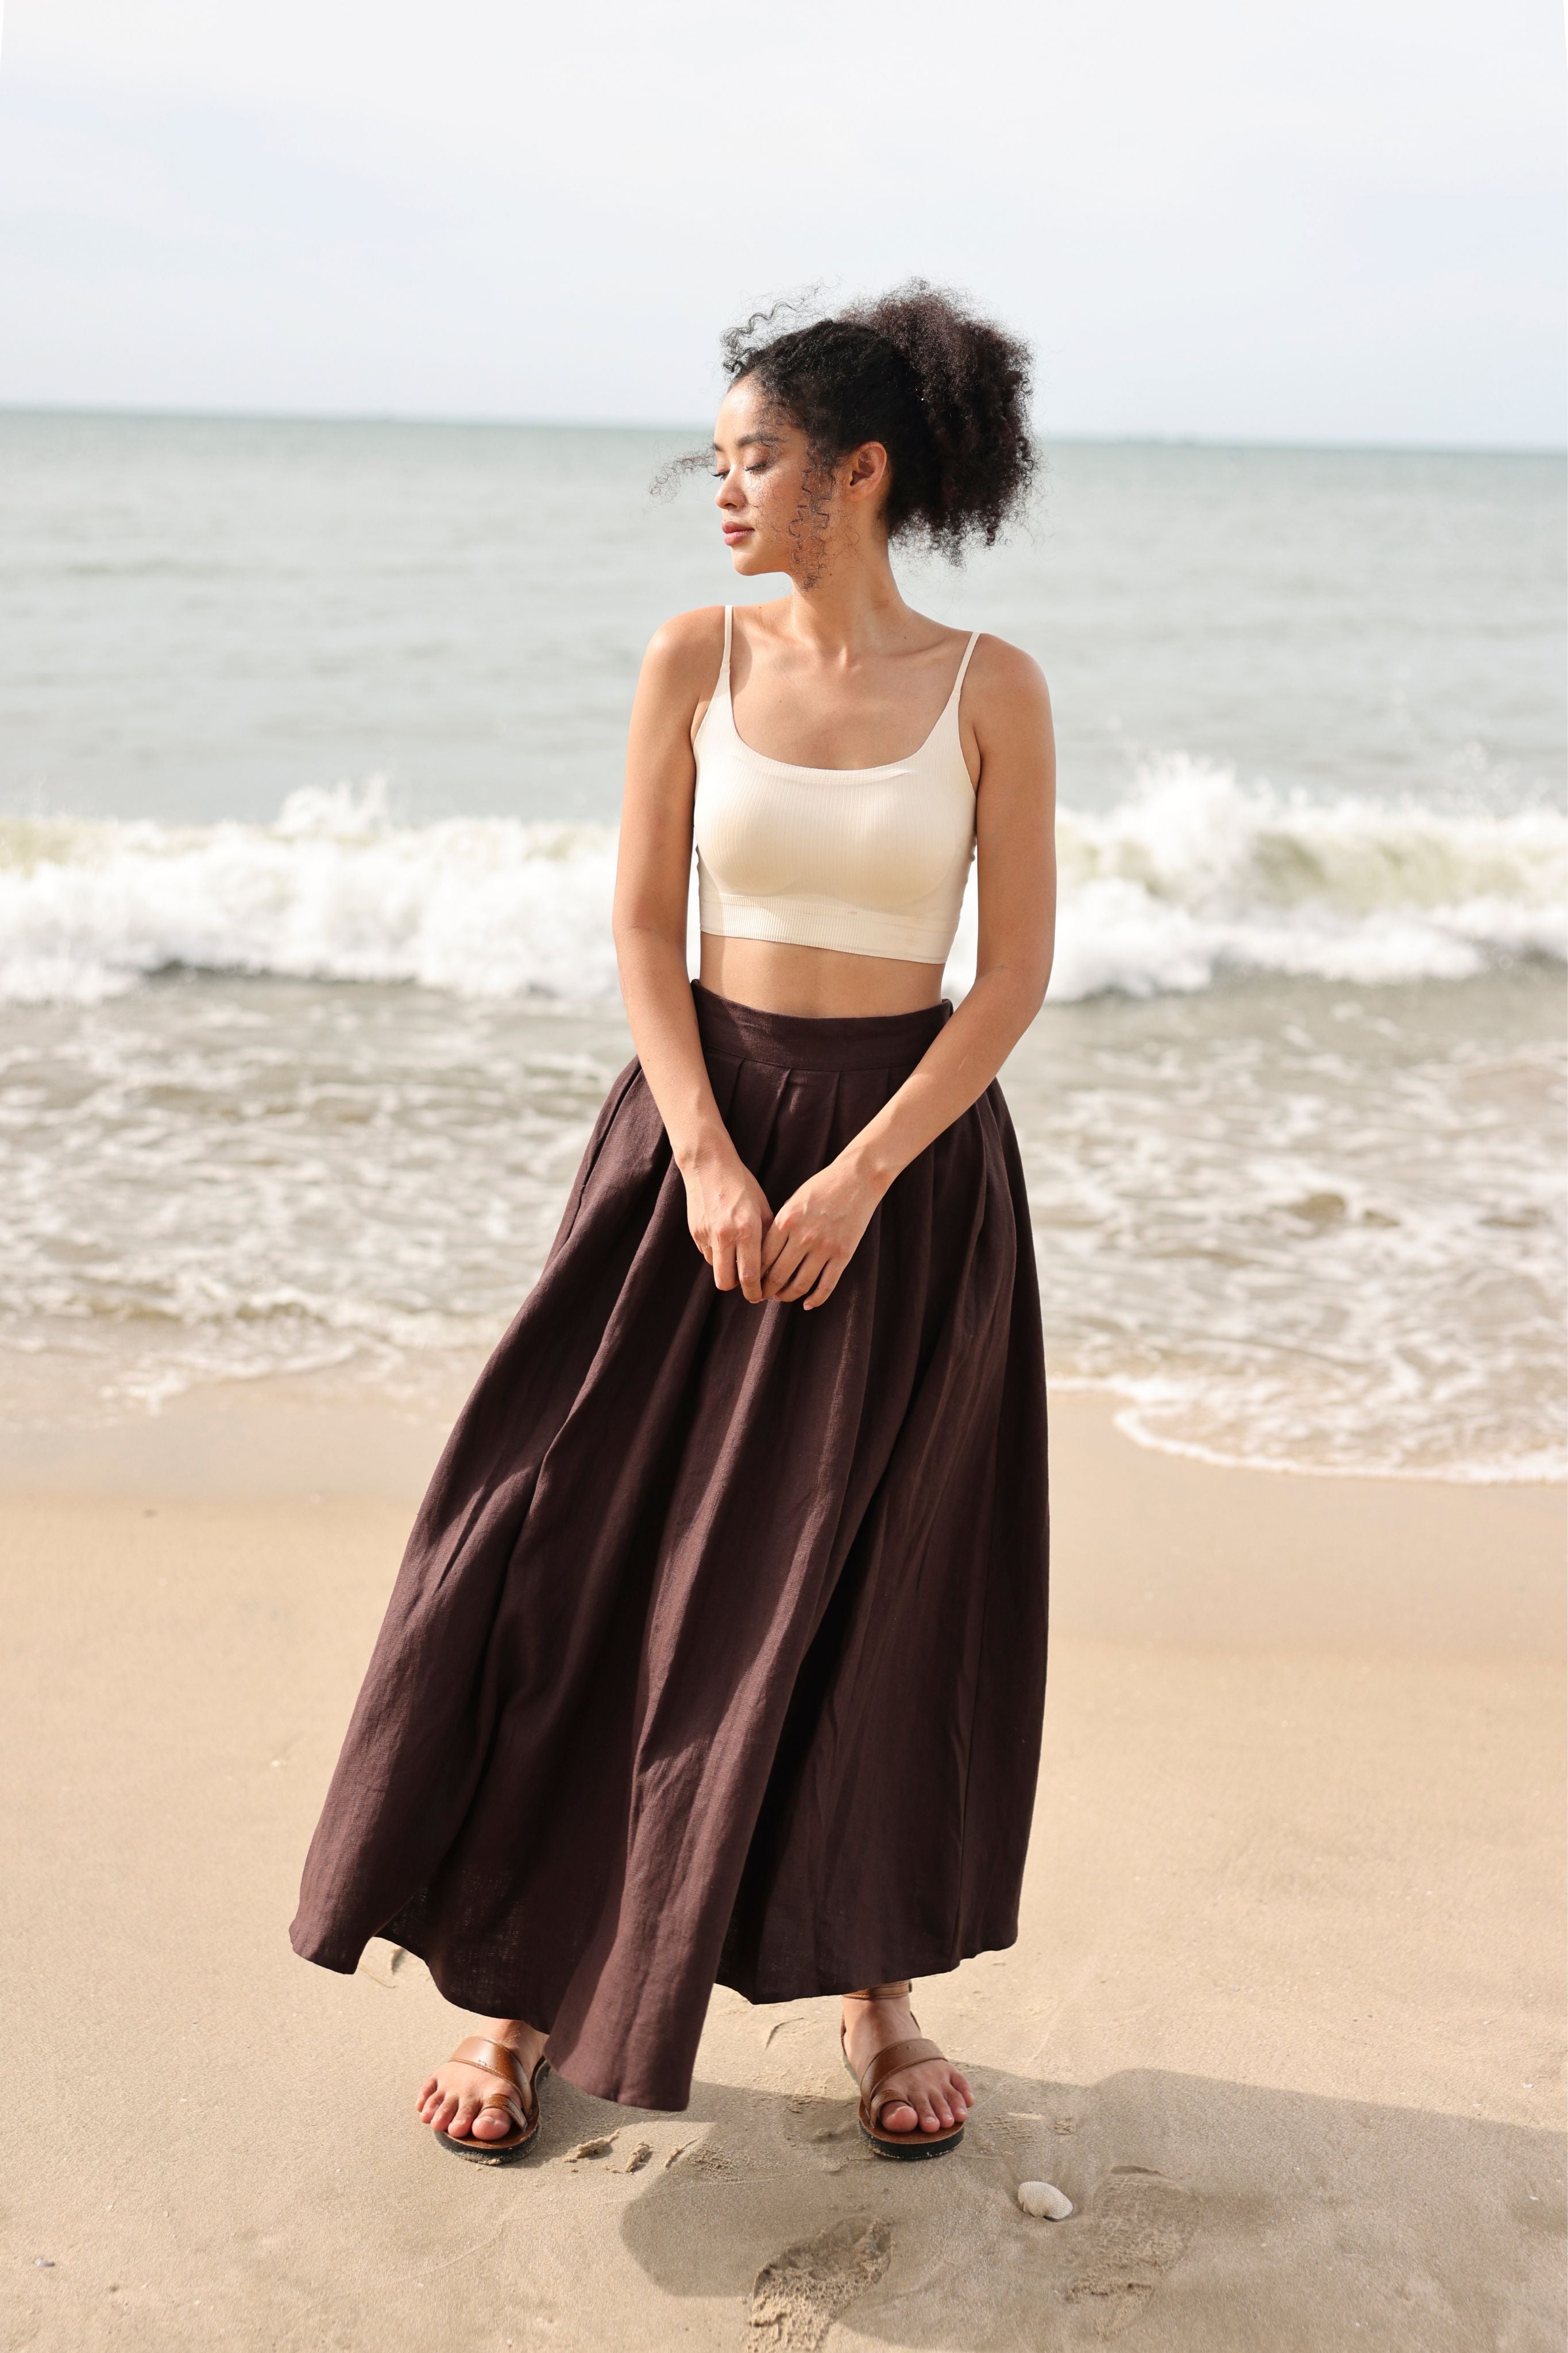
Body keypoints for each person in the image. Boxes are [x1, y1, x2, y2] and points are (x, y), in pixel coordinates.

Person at [291, 281, 1057, 2165]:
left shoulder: (990, 686)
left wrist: (861, 1173)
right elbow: (643, 931)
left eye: (758, 459)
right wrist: (712, 1160)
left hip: (903, 1183)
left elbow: (1010, 972)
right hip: (687, 1157)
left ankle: (882, 2000)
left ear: (859, 473)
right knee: (572, 1559)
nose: (723, 490)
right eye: (715, 459)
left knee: (870, 1586)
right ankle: (521, 1991)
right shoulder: (687, 658)